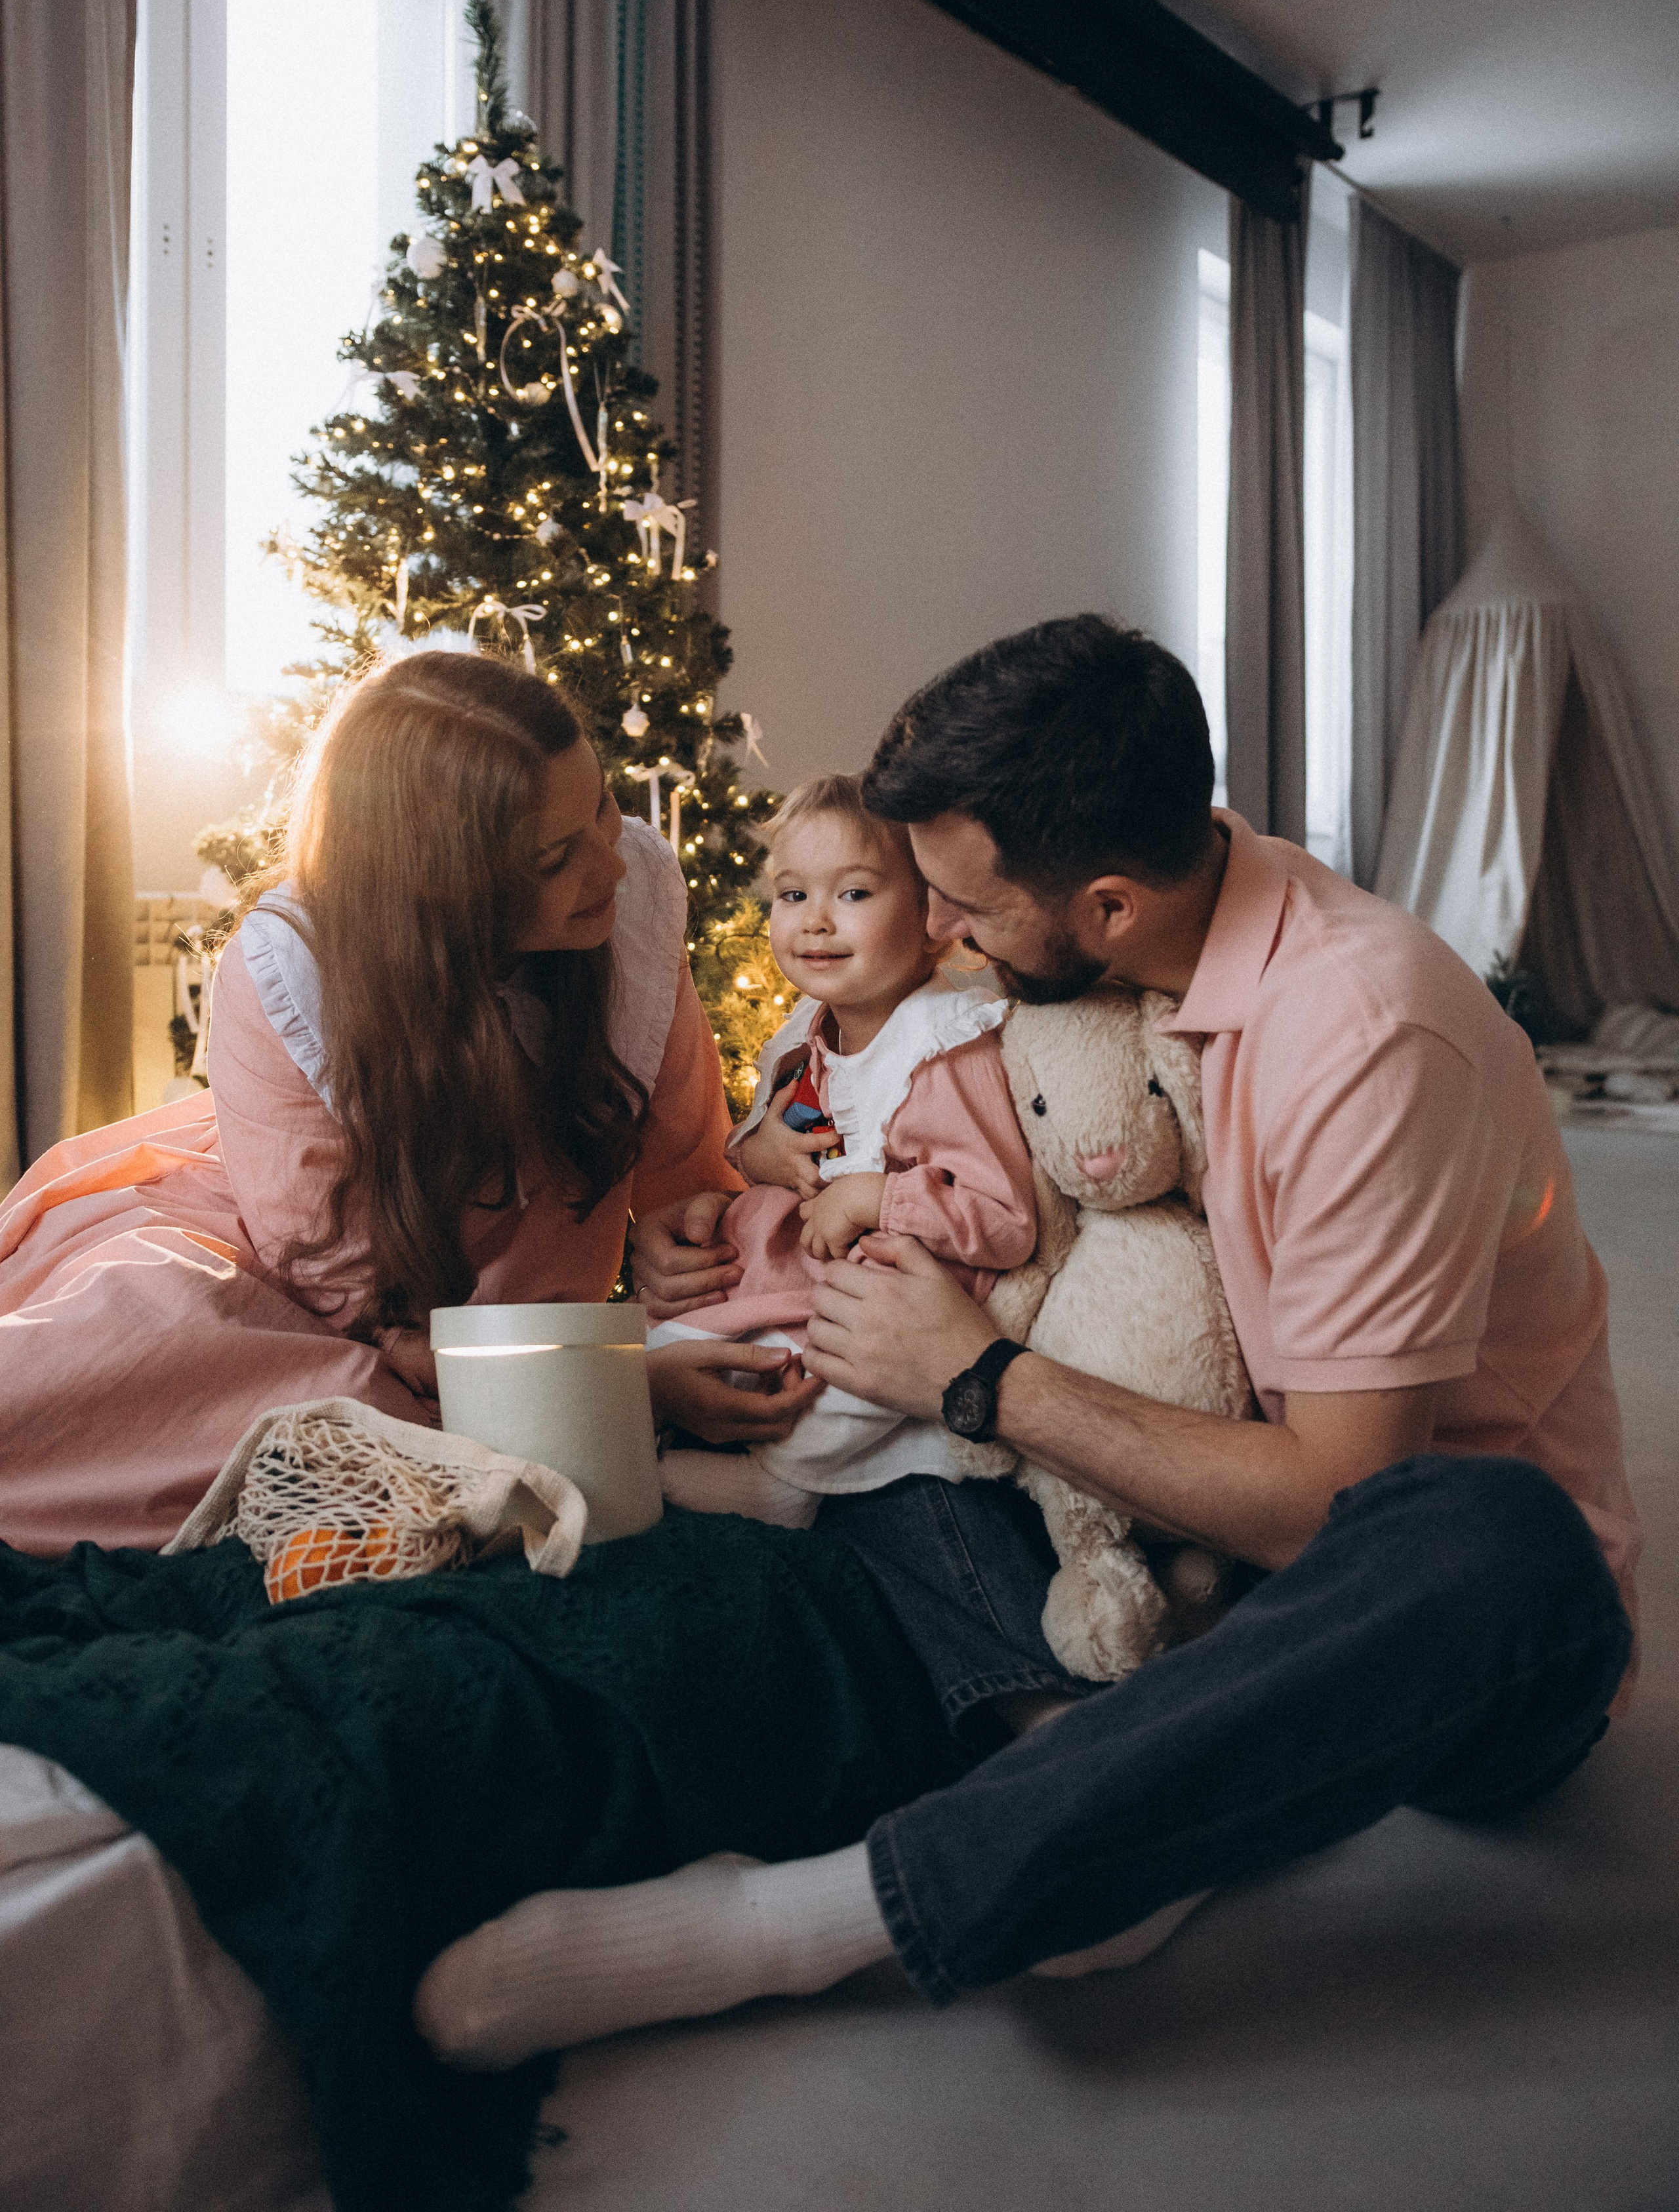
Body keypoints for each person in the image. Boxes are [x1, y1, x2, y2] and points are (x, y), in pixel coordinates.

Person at [416, 614, 1636, 2066]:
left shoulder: (1361, 1040)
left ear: (1105, 906)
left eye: (964, 914)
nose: (937, 942)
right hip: (1147, 1518)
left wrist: (981, 1378)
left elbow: (1337, 1506)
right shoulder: (1136, 910)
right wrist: (732, 1227)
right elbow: (892, 1147)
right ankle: (1101, 1792)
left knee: (1498, 1553)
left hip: (1384, 1604)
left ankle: (809, 1919)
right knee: (857, 1466)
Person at [0, 649, 815, 1556]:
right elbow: (360, 1307)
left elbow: (687, 1171)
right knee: (141, 1375)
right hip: (315, 1282)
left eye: (602, 808)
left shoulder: (634, 910)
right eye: (555, 858)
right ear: (443, 884)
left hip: (479, 1331)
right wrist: (626, 1389)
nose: (609, 866)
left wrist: (681, 1246)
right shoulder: (290, 976)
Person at [653, 773, 1034, 1527]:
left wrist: (873, 1197)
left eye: (853, 895)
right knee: (668, 1342)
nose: (816, 923)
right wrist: (761, 1151)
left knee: (848, 1374)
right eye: (793, 896)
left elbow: (1003, 1217)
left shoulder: (945, 1047)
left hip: (910, 1302)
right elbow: (787, 1137)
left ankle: (785, 1482)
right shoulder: (812, 1032)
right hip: (807, 1269)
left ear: (935, 917)